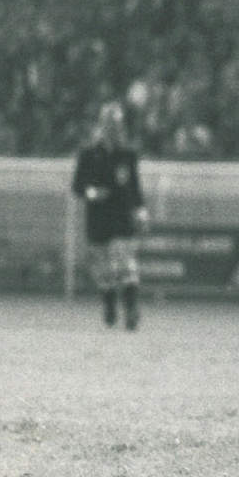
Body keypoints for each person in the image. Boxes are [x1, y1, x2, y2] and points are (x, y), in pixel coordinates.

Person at [72, 102, 148, 330]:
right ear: (101, 125)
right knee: (104, 267)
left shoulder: (128, 154)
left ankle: (132, 309)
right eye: (109, 123)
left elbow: (134, 186)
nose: (113, 128)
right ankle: (109, 306)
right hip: (98, 215)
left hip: (121, 213)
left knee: (124, 259)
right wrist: (93, 193)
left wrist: (142, 211)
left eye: (117, 124)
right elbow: (77, 186)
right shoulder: (88, 154)